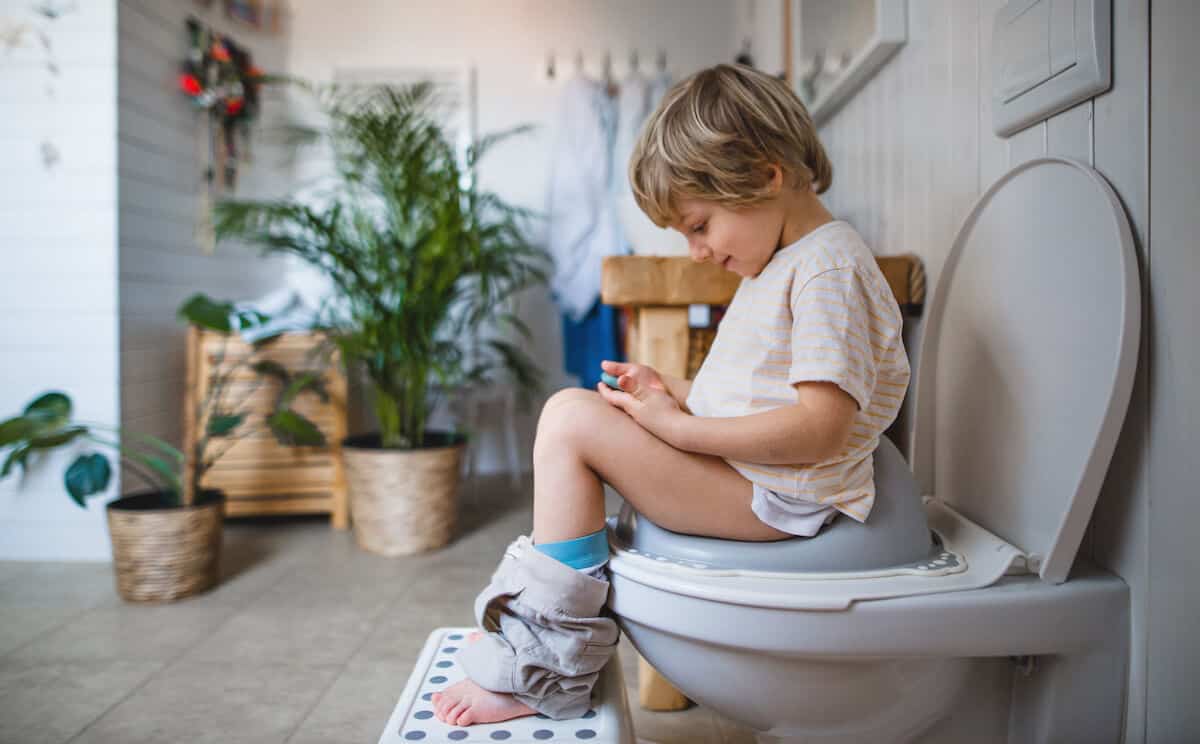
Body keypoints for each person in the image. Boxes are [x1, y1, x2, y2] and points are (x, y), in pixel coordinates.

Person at [432, 63, 910, 727]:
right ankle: (535, 635)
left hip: (778, 499)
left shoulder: (827, 270)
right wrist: (673, 392)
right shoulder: (792, 260)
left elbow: (821, 426)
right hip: (763, 481)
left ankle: (543, 671)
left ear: (768, 175)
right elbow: (760, 394)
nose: (695, 252)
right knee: (579, 409)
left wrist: (681, 431)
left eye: (699, 225)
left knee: (569, 421)